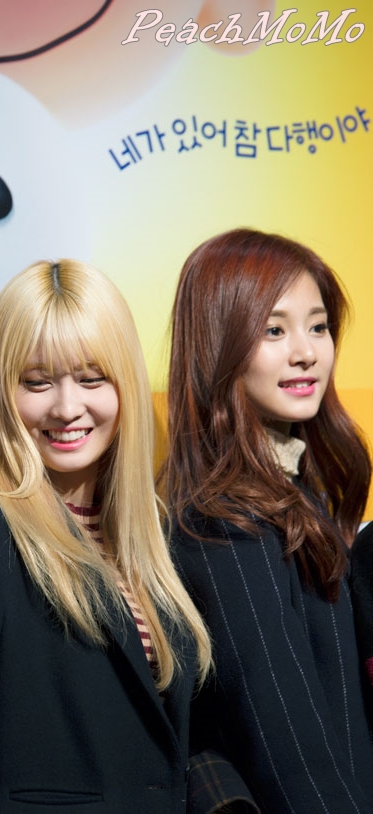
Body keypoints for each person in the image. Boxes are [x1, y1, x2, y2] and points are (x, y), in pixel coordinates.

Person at [0, 258, 213, 813]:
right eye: (37, 382)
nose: (67, 408)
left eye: (92, 378)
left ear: (125, 384)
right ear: (4, 392)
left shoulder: (163, 543)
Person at [163, 227, 373, 813]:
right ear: (217, 345)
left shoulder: (299, 492)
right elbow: (288, 746)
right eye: (274, 330)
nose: (306, 351)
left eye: (318, 326)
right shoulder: (221, 519)